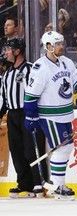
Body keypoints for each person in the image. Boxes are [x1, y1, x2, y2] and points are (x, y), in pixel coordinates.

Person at [23, 31, 77, 200]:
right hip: (50, 115)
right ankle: (57, 185)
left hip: (66, 113)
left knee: (66, 147)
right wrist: (31, 115)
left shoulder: (67, 62)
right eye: (58, 44)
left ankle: (58, 184)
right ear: (48, 46)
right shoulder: (40, 67)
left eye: (62, 43)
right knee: (62, 147)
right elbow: (31, 95)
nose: (62, 46)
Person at [0, 38, 48, 198]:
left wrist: (34, 113)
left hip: (28, 114)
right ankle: (24, 183)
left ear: (17, 51)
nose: (6, 52)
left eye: (8, 49)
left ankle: (38, 182)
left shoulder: (31, 69)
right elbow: (4, 97)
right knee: (16, 150)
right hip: (12, 115)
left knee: (31, 149)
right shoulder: (7, 73)